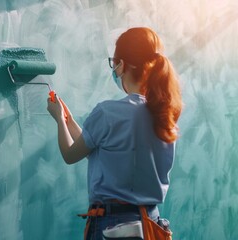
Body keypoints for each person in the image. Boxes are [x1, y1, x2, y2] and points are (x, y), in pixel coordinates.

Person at [47, 27, 182, 240]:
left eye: (114, 62)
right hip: (152, 224)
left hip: (115, 227)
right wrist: (69, 121)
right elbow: (96, 144)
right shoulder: (165, 116)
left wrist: (57, 119)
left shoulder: (108, 112)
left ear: (120, 65)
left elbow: (70, 154)